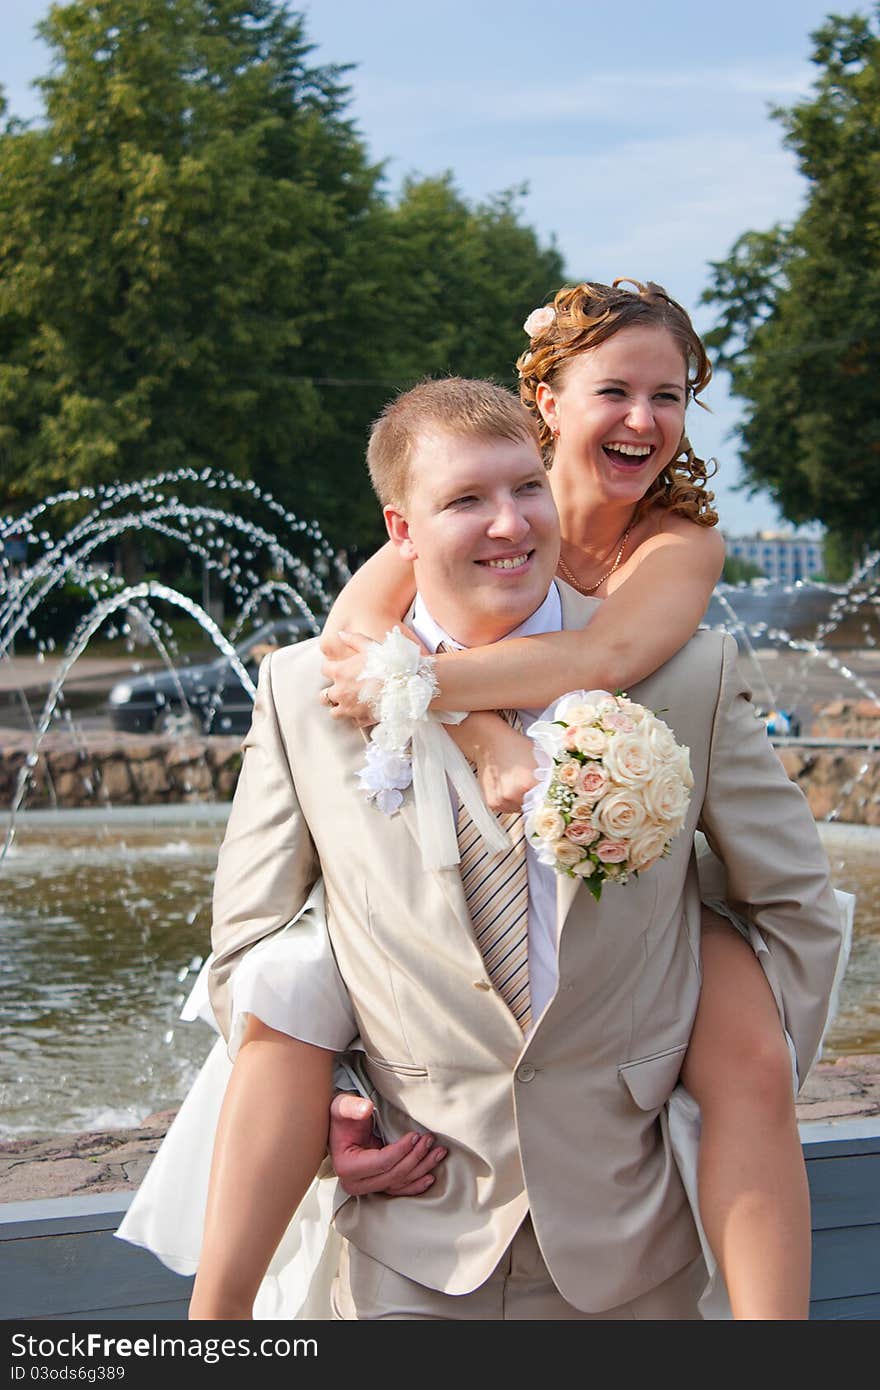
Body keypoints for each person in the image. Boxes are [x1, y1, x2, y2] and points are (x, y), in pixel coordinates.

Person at [195, 372, 842, 1319]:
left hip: (634, 1243)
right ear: (402, 532)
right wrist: (329, 1103)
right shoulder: (305, 695)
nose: (510, 524)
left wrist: (712, 1078)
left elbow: (793, 910)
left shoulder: (687, 677)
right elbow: (247, 954)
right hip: (414, 1245)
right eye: (466, 500)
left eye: (526, 488)